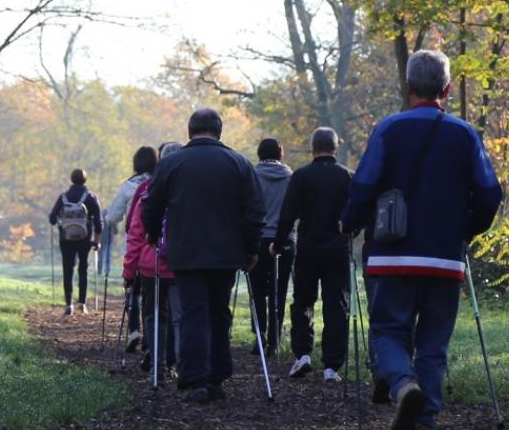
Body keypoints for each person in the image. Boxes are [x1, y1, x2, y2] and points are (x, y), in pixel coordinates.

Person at [342, 50, 504, 430]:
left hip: (393, 253)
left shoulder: (389, 129)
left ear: (409, 87)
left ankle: (403, 384)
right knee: (434, 343)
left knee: (388, 332)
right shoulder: (464, 134)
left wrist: (349, 222)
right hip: (444, 257)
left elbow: (364, 184)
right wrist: (466, 229)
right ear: (447, 89)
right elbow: (489, 193)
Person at [143, 109, 266, 403]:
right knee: (219, 311)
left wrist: (153, 234)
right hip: (226, 252)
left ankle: (195, 378)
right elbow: (255, 211)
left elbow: (152, 204)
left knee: (193, 312)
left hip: (186, 251)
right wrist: (251, 248)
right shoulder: (238, 163)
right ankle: (217, 376)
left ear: (190, 131)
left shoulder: (172, 163)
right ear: (219, 131)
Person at [274, 128, 353, 383]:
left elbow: (287, 214)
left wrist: (278, 242)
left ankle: (303, 355)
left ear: (313, 147)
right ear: (335, 148)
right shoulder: (347, 177)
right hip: (338, 249)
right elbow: (358, 211)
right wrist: (351, 231)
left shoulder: (301, 177)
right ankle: (332, 365)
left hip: (308, 248)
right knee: (336, 305)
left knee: (303, 301)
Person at [125, 145, 178, 375]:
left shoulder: (146, 189)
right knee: (180, 318)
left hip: (151, 264)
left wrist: (129, 270)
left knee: (154, 316)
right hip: (182, 263)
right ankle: (179, 365)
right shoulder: (190, 189)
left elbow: (135, 232)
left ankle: (158, 364)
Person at [248, 138, 294, 358]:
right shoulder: (291, 177)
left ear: (259, 154)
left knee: (257, 290)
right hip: (284, 239)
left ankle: (259, 337)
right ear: (280, 154)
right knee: (280, 289)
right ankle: (274, 340)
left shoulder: (251, 176)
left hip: (258, 239)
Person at [109, 147, 158, 350]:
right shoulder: (160, 184)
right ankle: (151, 337)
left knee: (132, 288)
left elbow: (111, 217)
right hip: (156, 245)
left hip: (133, 242)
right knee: (151, 292)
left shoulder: (129, 186)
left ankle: (134, 330)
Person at [47, 168, 102, 315]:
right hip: (84, 239)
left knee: (68, 269)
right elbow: (98, 222)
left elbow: (52, 219)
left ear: (71, 179)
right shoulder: (90, 197)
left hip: (66, 239)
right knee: (83, 269)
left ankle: (68, 304)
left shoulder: (63, 197)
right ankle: (82, 304)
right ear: (85, 180)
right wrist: (96, 241)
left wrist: (59, 220)